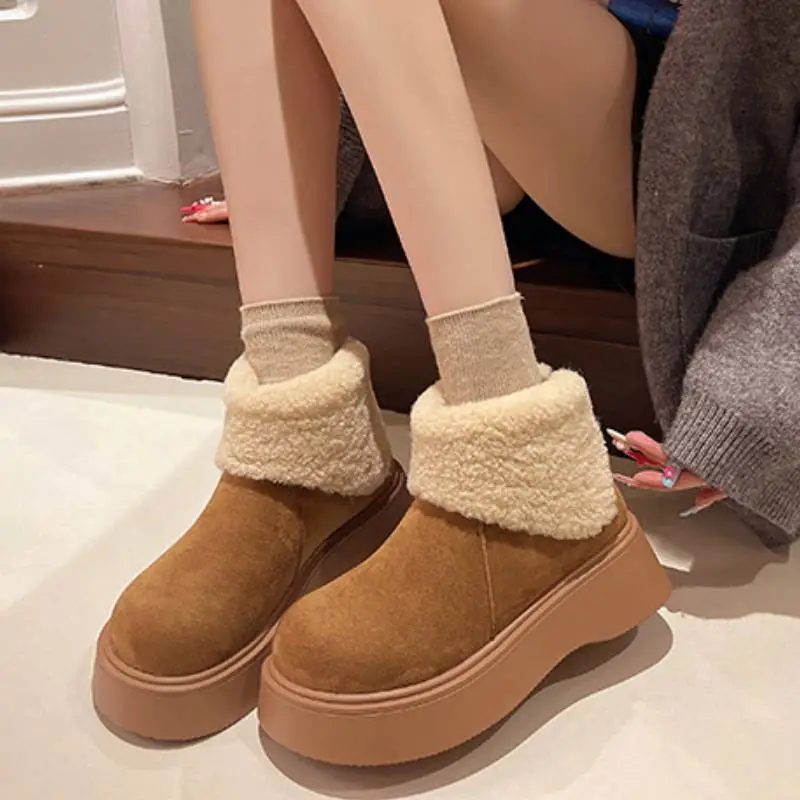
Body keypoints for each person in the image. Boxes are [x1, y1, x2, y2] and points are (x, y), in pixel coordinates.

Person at [92, 0, 800, 766]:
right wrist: (285, 158)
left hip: (676, 145)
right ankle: (299, 422)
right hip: (499, 112)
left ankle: (513, 451)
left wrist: (766, 383)